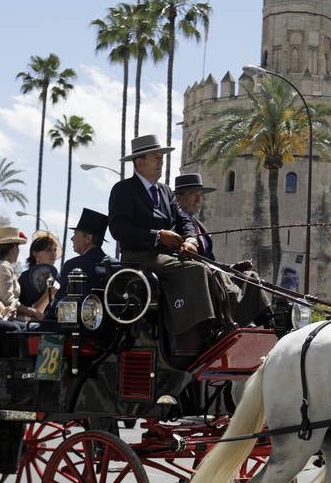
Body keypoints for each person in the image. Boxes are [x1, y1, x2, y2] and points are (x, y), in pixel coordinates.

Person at [107, 135, 221, 343]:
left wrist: (191, 240)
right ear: (139, 161)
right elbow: (119, 229)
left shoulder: (166, 191)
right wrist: (158, 236)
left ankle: (233, 320)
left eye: (162, 157)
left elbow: (184, 220)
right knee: (195, 270)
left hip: (167, 256)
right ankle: (197, 329)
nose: (161, 162)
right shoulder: (124, 190)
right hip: (140, 257)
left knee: (216, 271)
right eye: (156, 157)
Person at [173, 172, 273, 327]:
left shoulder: (200, 226)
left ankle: (269, 324)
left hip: (213, 274)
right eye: (194, 194)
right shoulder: (174, 224)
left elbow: (211, 260)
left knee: (250, 277)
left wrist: (232, 267)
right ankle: (230, 323)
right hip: (196, 278)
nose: (199, 200)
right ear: (179, 198)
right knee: (230, 290)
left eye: (200, 195)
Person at [0, 227, 45, 320]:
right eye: (18, 247)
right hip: (2, 319)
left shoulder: (0, 265)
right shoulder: (3, 267)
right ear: (14, 248)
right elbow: (8, 301)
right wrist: (34, 312)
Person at [17, 230, 60, 308]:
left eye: (55, 250)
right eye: (48, 250)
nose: (53, 254)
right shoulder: (25, 277)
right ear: (35, 253)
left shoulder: (59, 277)